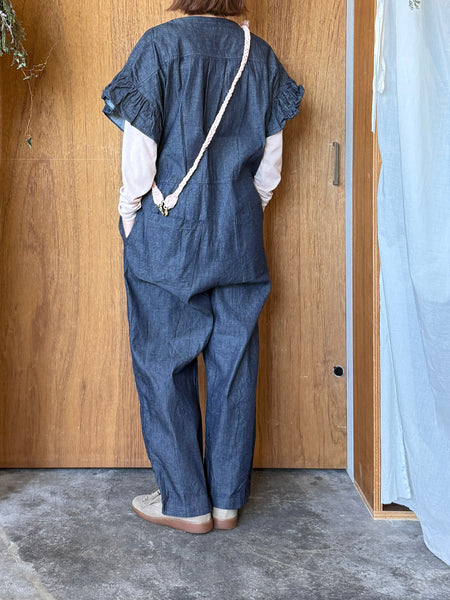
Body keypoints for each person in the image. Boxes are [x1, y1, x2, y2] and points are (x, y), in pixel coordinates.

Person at [102, 0, 304, 534]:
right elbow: (270, 163)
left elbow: (140, 155)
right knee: (234, 362)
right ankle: (226, 501)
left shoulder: (159, 47)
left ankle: (185, 501)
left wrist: (129, 212)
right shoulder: (258, 55)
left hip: (169, 233)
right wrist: (245, 211)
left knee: (164, 360)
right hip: (239, 235)